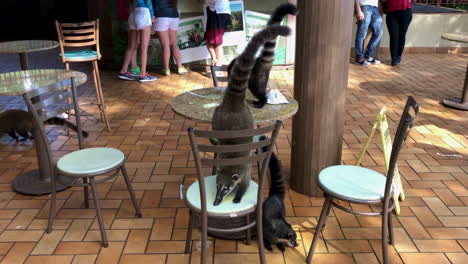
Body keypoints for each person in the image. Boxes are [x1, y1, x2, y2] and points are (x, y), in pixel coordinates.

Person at [119, 0, 157, 82]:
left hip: (133, 13)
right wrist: (152, 15)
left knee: (131, 47)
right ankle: (143, 75)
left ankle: (123, 71)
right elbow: (148, 2)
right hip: (144, 12)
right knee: (144, 47)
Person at [153, 0, 187, 75]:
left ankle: (166, 69)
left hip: (161, 15)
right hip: (174, 15)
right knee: (174, 43)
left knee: (165, 44)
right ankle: (180, 67)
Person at [382, 0, 412, 66]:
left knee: (402, 35)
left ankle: (398, 56)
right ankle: (394, 58)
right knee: (394, 36)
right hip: (391, 13)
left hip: (406, 11)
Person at [354, 0, 383, 66]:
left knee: (378, 33)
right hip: (364, 6)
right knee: (361, 34)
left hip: (375, 8)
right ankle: (359, 58)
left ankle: (367, 56)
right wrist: (358, 11)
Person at [203, 0, 231, 66]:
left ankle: (217, 68)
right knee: (208, 38)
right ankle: (215, 61)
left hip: (218, 11)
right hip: (216, 11)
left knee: (216, 41)